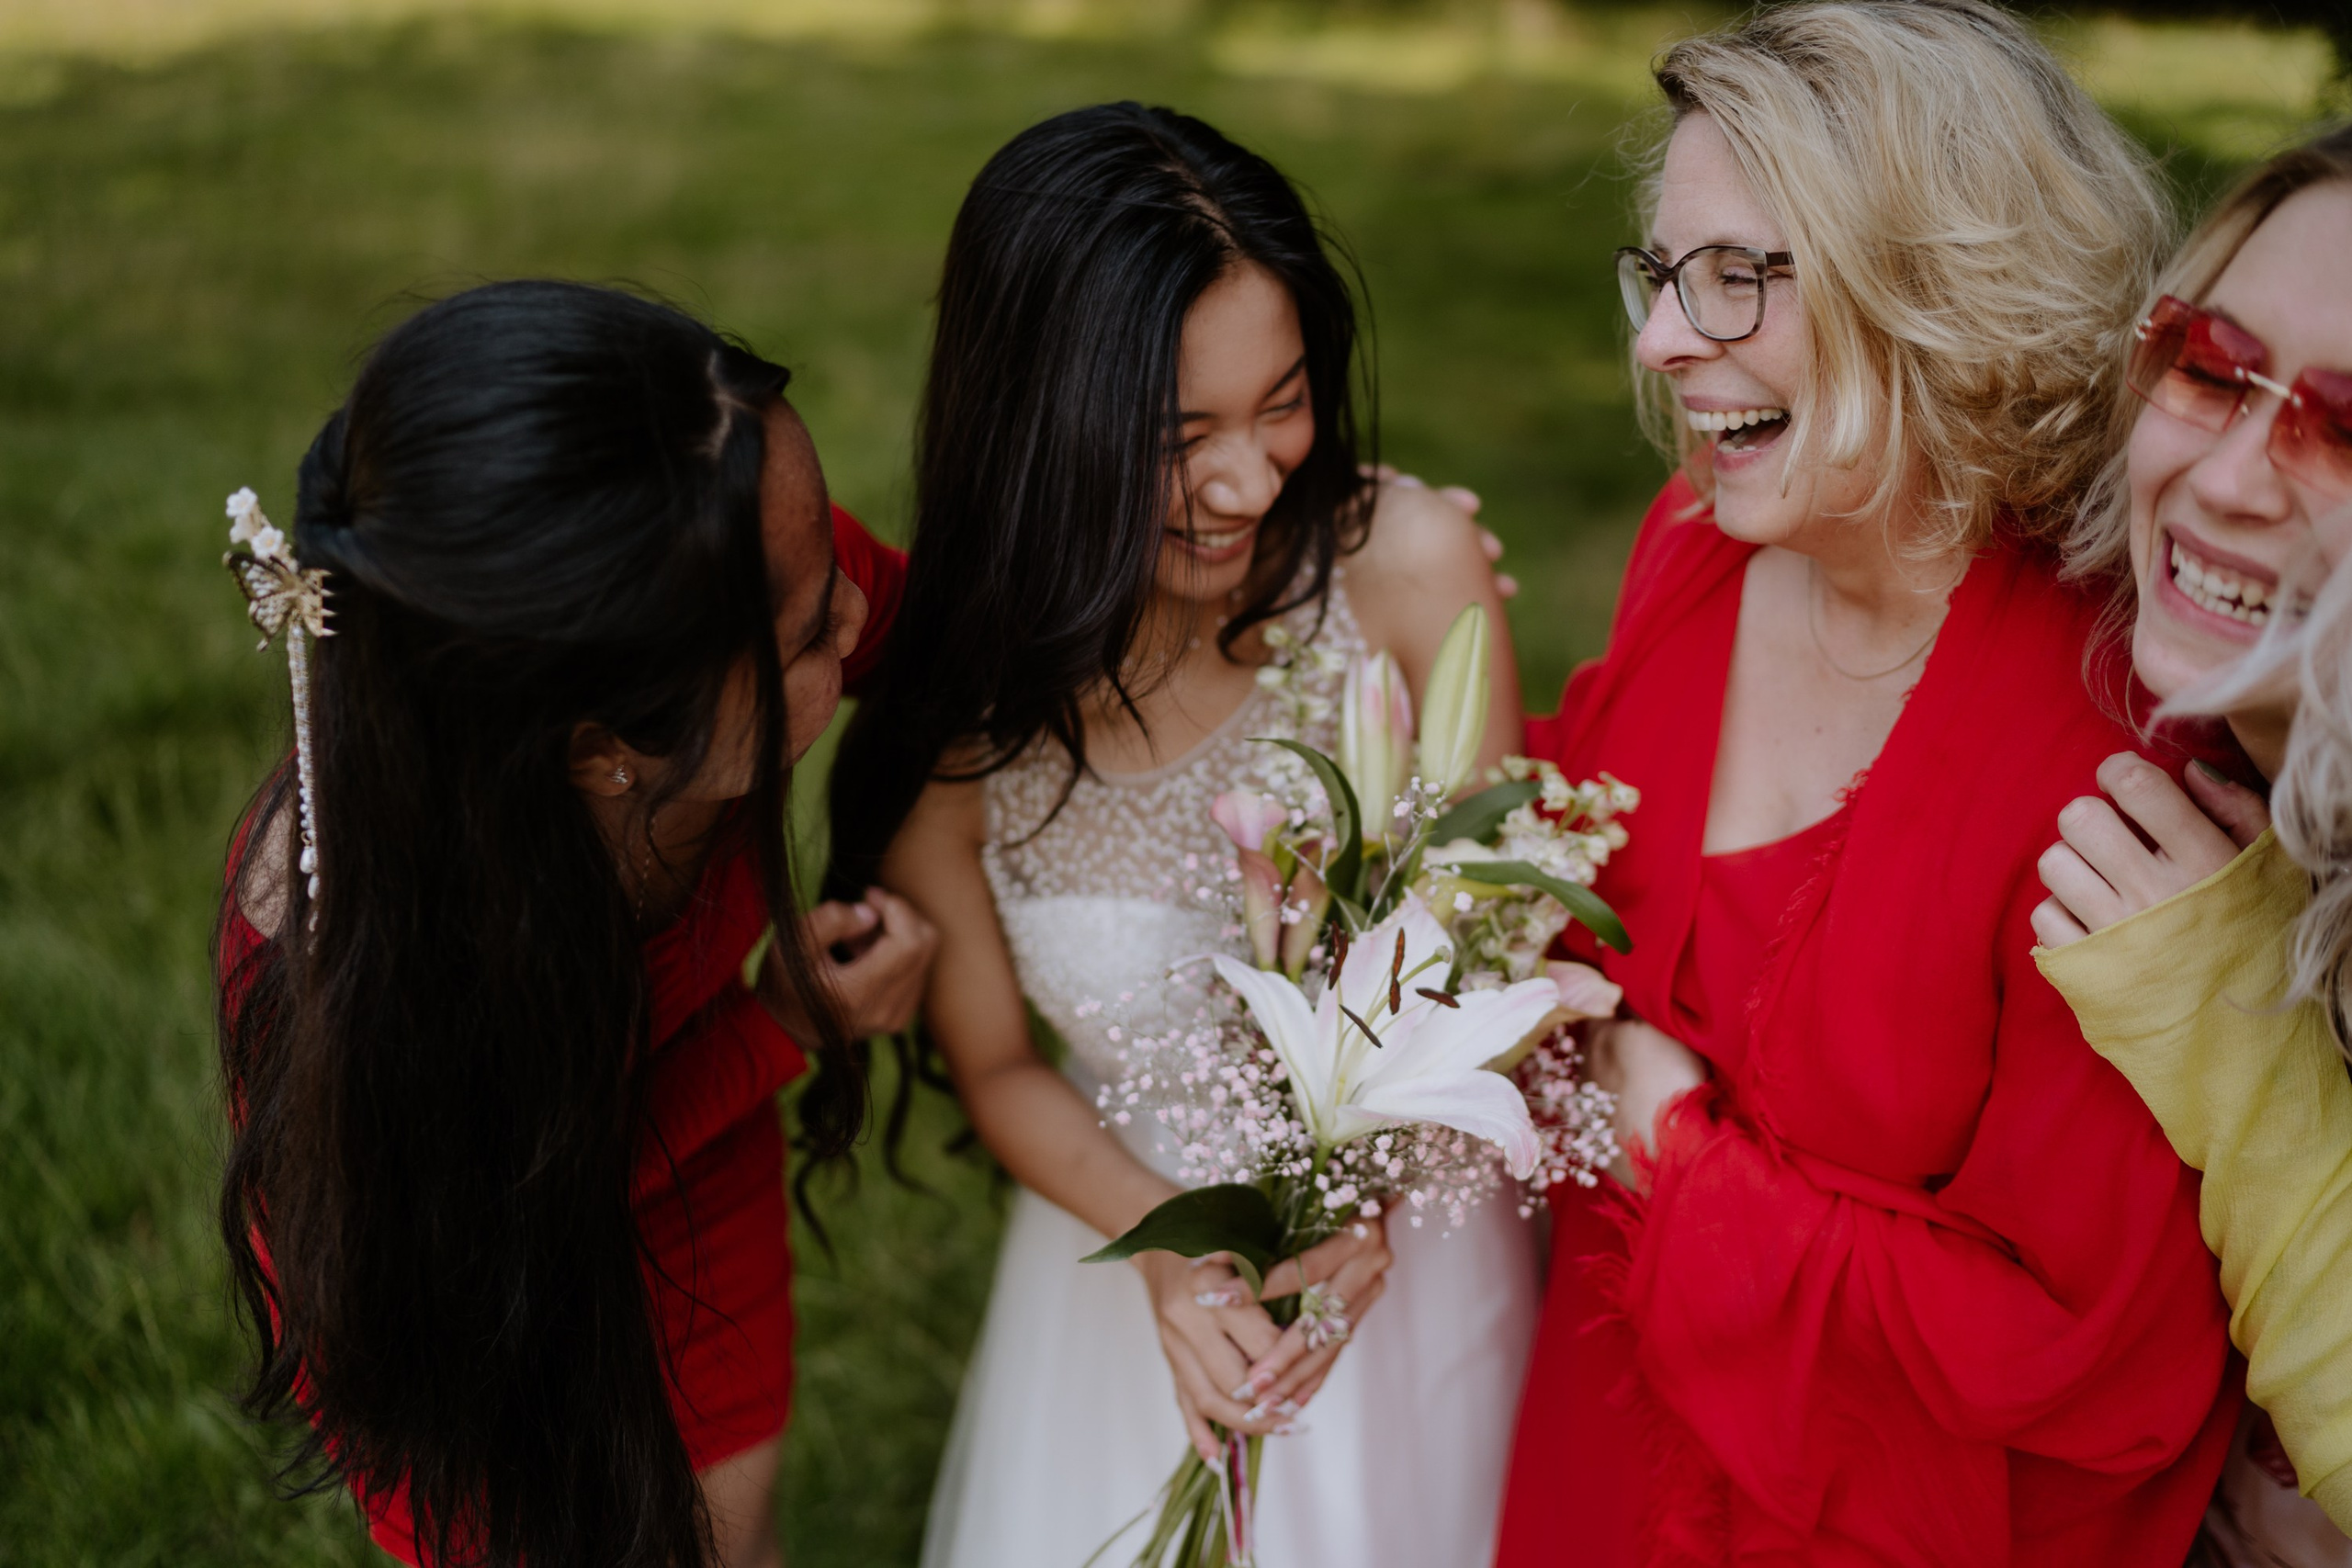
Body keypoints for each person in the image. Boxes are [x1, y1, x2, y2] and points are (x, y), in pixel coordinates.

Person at [1496, 4, 2238, 1563]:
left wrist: (1671, 1149)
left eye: (1735, 277)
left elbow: (2084, 1353)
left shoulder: (2110, 752)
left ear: (1938, 290)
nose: (1656, 339)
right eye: (1659, 272)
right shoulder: (1693, 555)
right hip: (1590, 1442)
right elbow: (1584, 836)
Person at [826, 103, 1531, 1566]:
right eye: (1177, 437)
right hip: (1131, 1254)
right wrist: (1171, 1247)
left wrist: (1369, 1198)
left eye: (1283, 402)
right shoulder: (957, 712)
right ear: (1035, 431)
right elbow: (1005, 1068)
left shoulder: (1406, 568)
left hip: (1418, 1281)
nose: (1253, 481)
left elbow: (1489, 943)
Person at [213, 279, 933, 1568]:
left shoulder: (719, 556)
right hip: (475, 1333)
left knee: (729, 1533)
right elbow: (493, 1249)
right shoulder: (357, 987)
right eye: (812, 633)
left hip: (696, 1192)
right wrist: (778, 1025)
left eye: (827, 556)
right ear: (604, 750)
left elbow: (940, 621)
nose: (858, 614)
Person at [2030, 121, 2352, 1566]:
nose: (2225, 479)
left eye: (2346, 428)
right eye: (2214, 367)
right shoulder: (2187, 749)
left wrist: (2237, 1051)